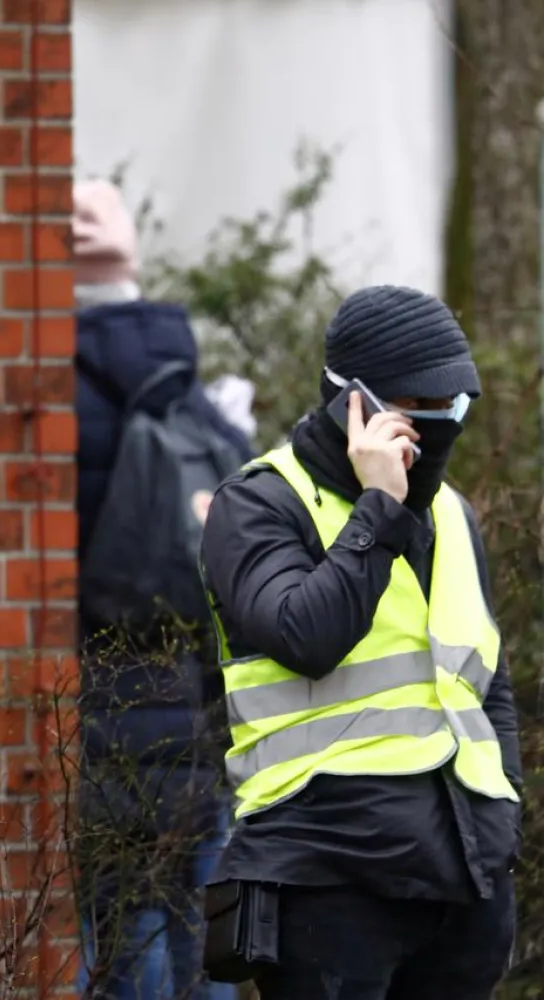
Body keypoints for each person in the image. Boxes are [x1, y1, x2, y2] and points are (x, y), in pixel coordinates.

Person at [200, 285, 522, 999]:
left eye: (454, 406)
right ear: (357, 403)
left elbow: (486, 684)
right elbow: (305, 636)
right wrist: (380, 506)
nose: (440, 424)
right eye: (418, 407)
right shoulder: (258, 502)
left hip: (463, 879)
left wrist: (505, 820)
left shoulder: (455, 514)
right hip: (326, 876)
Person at [72, 178, 249, 1000]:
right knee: (197, 925)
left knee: (125, 922)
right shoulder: (187, 390)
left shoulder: (57, 396)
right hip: (193, 703)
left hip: (95, 706)